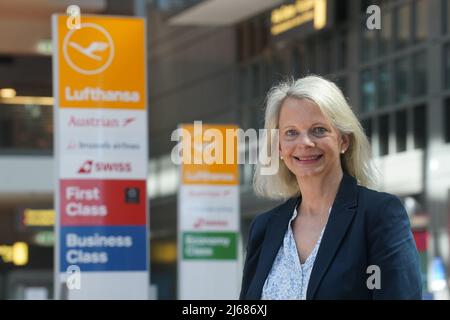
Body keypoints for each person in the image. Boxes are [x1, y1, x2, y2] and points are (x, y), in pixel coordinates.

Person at [240, 75, 422, 300]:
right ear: (278, 146)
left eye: (318, 130)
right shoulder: (264, 228)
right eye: (291, 132)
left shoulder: (379, 215)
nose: (304, 143)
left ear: (343, 141)